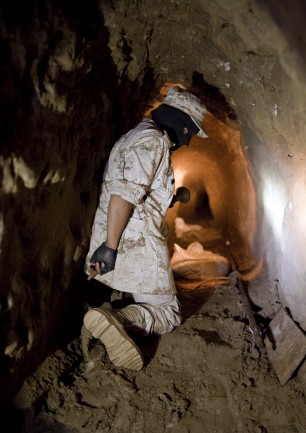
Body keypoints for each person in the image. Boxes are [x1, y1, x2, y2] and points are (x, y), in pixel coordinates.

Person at [83, 86, 208, 370]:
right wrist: (111, 247)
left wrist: (167, 199)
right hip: (134, 242)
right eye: (190, 132)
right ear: (182, 123)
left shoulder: (137, 135)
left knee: (148, 297)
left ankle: (109, 316)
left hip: (120, 233)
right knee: (168, 313)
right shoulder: (153, 142)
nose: (187, 141)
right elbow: (124, 195)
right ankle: (118, 319)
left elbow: (135, 191)